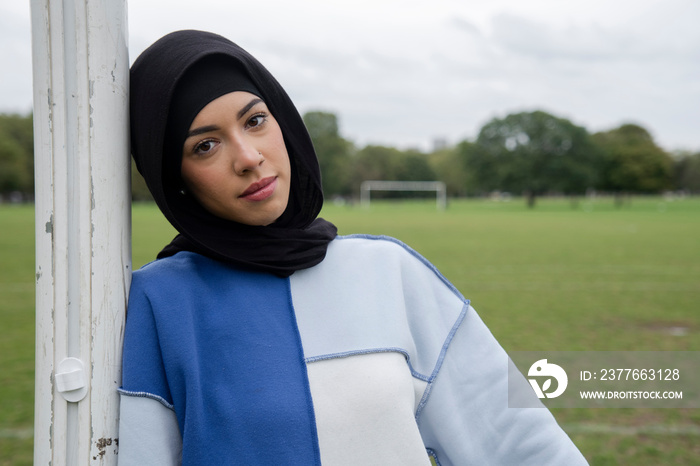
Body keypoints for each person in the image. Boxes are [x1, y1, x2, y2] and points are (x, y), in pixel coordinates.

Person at [118, 29, 588, 465]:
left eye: (255, 120)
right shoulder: (156, 305)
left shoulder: (390, 272)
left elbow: (517, 441)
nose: (248, 157)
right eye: (205, 146)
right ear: (171, 177)